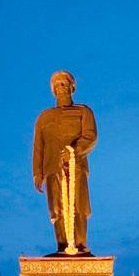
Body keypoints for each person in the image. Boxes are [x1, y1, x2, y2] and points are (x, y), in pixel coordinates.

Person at [32, 70, 98, 255]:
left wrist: (75, 151)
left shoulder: (83, 112)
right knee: (57, 208)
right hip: (52, 167)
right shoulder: (44, 118)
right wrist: (37, 172)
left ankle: (81, 246)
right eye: (58, 84)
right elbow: (38, 147)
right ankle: (62, 246)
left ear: (72, 87)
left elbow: (91, 136)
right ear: (53, 90)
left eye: (64, 83)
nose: (61, 87)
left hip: (76, 166)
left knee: (79, 205)